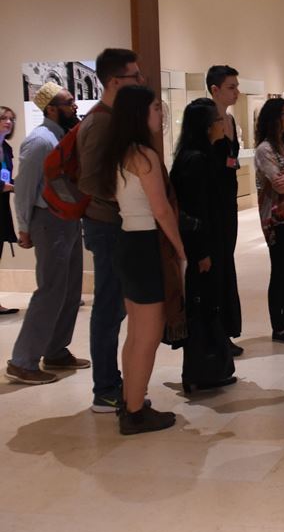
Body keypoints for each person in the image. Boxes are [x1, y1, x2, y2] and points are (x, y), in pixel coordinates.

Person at [96, 85, 185, 434]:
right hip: (147, 244)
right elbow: (160, 209)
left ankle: (131, 400)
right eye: (155, 108)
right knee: (146, 334)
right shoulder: (144, 156)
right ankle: (135, 410)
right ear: (139, 114)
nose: (160, 114)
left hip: (128, 242)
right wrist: (179, 248)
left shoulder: (119, 153)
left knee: (135, 332)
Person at [4, 83, 87, 384]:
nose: (74, 106)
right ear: (51, 108)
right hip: (48, 221)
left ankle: (55, 350)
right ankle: (22, 360)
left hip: (66, 220)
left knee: (69, 288)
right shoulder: (40, 141)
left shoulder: (62, 136)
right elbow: (24, 189)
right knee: (50, 289)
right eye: (68, 102)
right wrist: (23, 227)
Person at [78, 48, 144, 411]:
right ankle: (104, 387)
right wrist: (127, 200)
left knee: (115, 306)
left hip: (111, 223)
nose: (140, 81)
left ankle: (111, 382)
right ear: (116, 81)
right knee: (108, 306)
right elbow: (90, 180)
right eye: (135, 76)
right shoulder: (101, 121)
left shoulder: (108, 118)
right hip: (106, 225)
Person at [170, 98, 237, 392]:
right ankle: (199, 371)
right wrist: (202, 252)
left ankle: (209, 369)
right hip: (203, 245)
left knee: (210, 304)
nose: (223, 125)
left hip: (210, 241)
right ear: (208, 126)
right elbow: (197, 211)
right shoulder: (195, 160)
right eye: (218, 121)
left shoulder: (201, 155)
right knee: (203, 306)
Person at [254, 98, 284, 344]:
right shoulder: (265, 149)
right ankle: (279, 325)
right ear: (275, 118)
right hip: (277, 218)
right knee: (281, 271)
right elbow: (278, 184)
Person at [206, 65, 243, 356]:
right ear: (215, 89)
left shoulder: (229, 119)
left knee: (225, 264)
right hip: (213, 203)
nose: (237, 91)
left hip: (228, 202)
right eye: (231, 86)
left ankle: (224, 332)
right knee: (215, 268)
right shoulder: (207, 119)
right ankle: (214, 335)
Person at [0, 107, 19, 315]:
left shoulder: (6, 148)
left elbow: (6, 178)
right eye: (3, 118)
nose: (8, 122)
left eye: (11, 119)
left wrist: (14, 185)